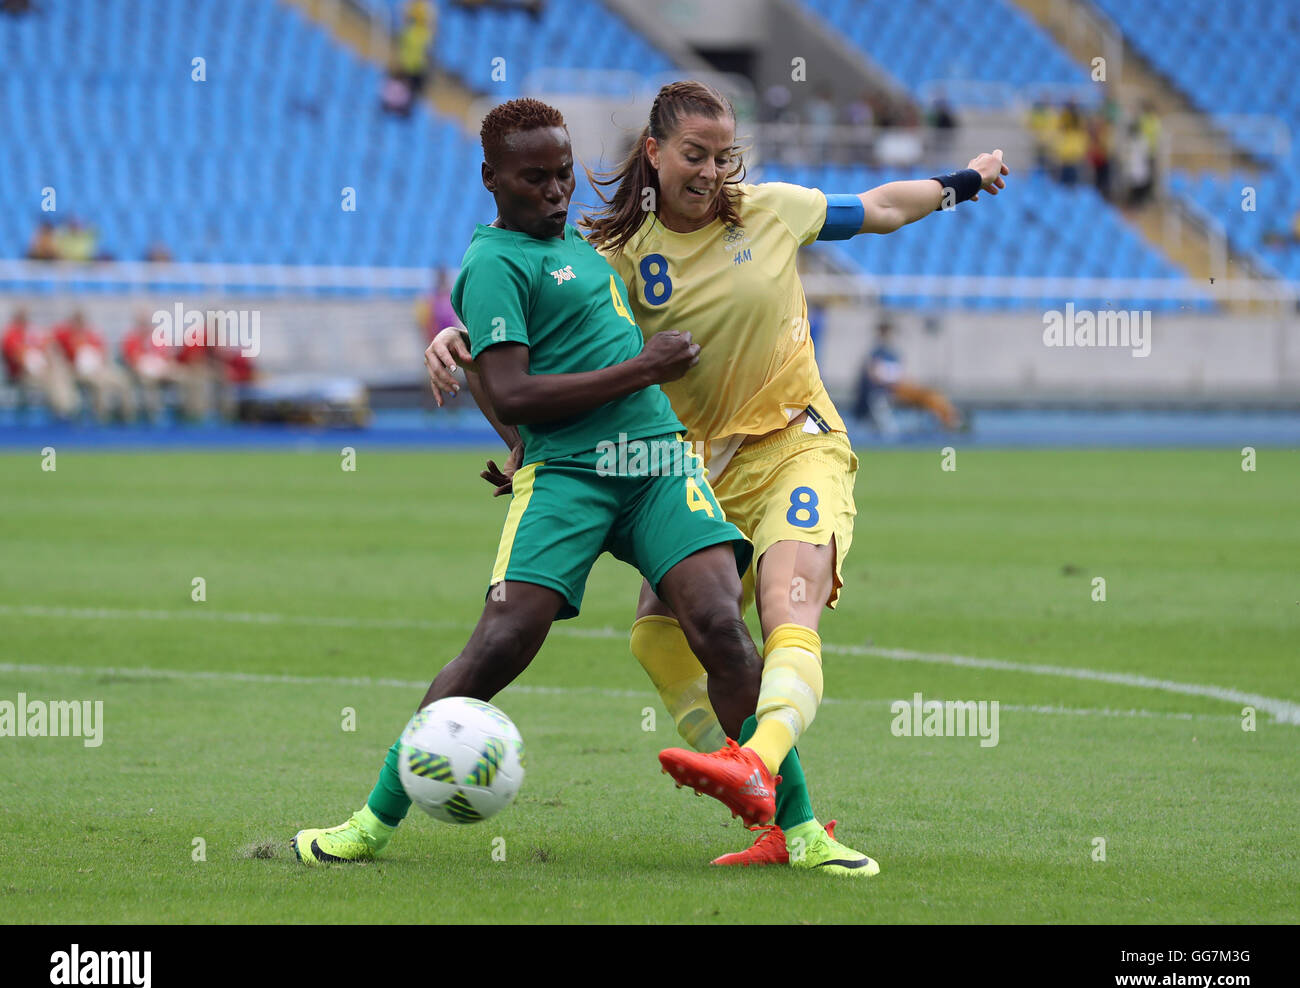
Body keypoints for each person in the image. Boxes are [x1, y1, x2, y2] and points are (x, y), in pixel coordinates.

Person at [427, 80, 1009, 873]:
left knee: (783, 608)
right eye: (695, 156)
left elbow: (879, 206)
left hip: (795, 440)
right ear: (657, 154)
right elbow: (537, 306)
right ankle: (762, 807)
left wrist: (960, 183)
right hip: (691, 465)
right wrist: (459, 337)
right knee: (657, 641)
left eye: (723, 156)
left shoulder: (773, 210)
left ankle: (761, 772)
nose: (711, 172)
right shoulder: (616, 256)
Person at [293, 98, 768, 866]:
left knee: (722, 629)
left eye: (562, 175)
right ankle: (369, 824)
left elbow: (533, 366)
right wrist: (638, 369)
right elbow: (512, 391)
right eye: (534, 178)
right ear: (492, 179)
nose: (555, 191)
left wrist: (486, 374)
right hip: (570, 481)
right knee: (501, 644)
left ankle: (796, 827)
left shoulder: (581, 248)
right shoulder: (491, 264)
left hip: (653, 463)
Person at [854, 318, 963, 435]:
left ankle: (950, 418)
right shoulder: (875, 353)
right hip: (887, 390)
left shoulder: (893, 353)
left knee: (932, 395)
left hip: (899, 388)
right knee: (926, 395)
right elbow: (875, 375)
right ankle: (951, 420)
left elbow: (899, 373)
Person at [51, 310, 136, 422]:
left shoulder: (92, 335)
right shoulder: (65, 334)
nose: (79, 324)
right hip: (76, 372)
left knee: (123, 381)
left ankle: (127, 416)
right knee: (99, 385)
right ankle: (102, 418)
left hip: (97, 370)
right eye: (76, 321)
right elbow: (52, 344)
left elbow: (103, 354)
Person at [2, 309, 79, 419]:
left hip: (41, 370)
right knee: (51, 379)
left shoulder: (32, 333)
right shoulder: (10, 335)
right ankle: (64, 409)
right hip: (22, 374)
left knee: (59, 373)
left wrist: (46, 360)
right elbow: (17, 357)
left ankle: (68, 406)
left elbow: (46, 345)